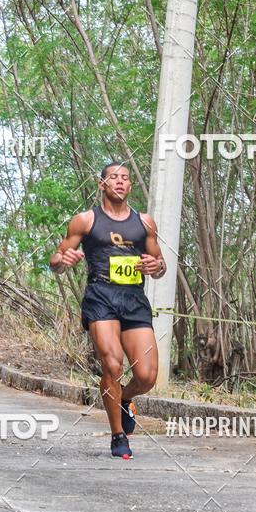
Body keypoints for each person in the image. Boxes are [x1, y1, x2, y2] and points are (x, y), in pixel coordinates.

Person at [50, 162, 166, 459]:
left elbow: (160, 266)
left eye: (125, 178)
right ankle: (118, 436)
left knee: (147, 376)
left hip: (134, 298)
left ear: (130, 186)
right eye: (114, 177)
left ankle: (124, 399)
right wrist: (63, 261)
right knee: (113, 366)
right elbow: (56, 261)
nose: (120, 181)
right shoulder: (85, 220)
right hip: (101, 296)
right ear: (102, 184)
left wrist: (155, 266)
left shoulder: (145, 222)